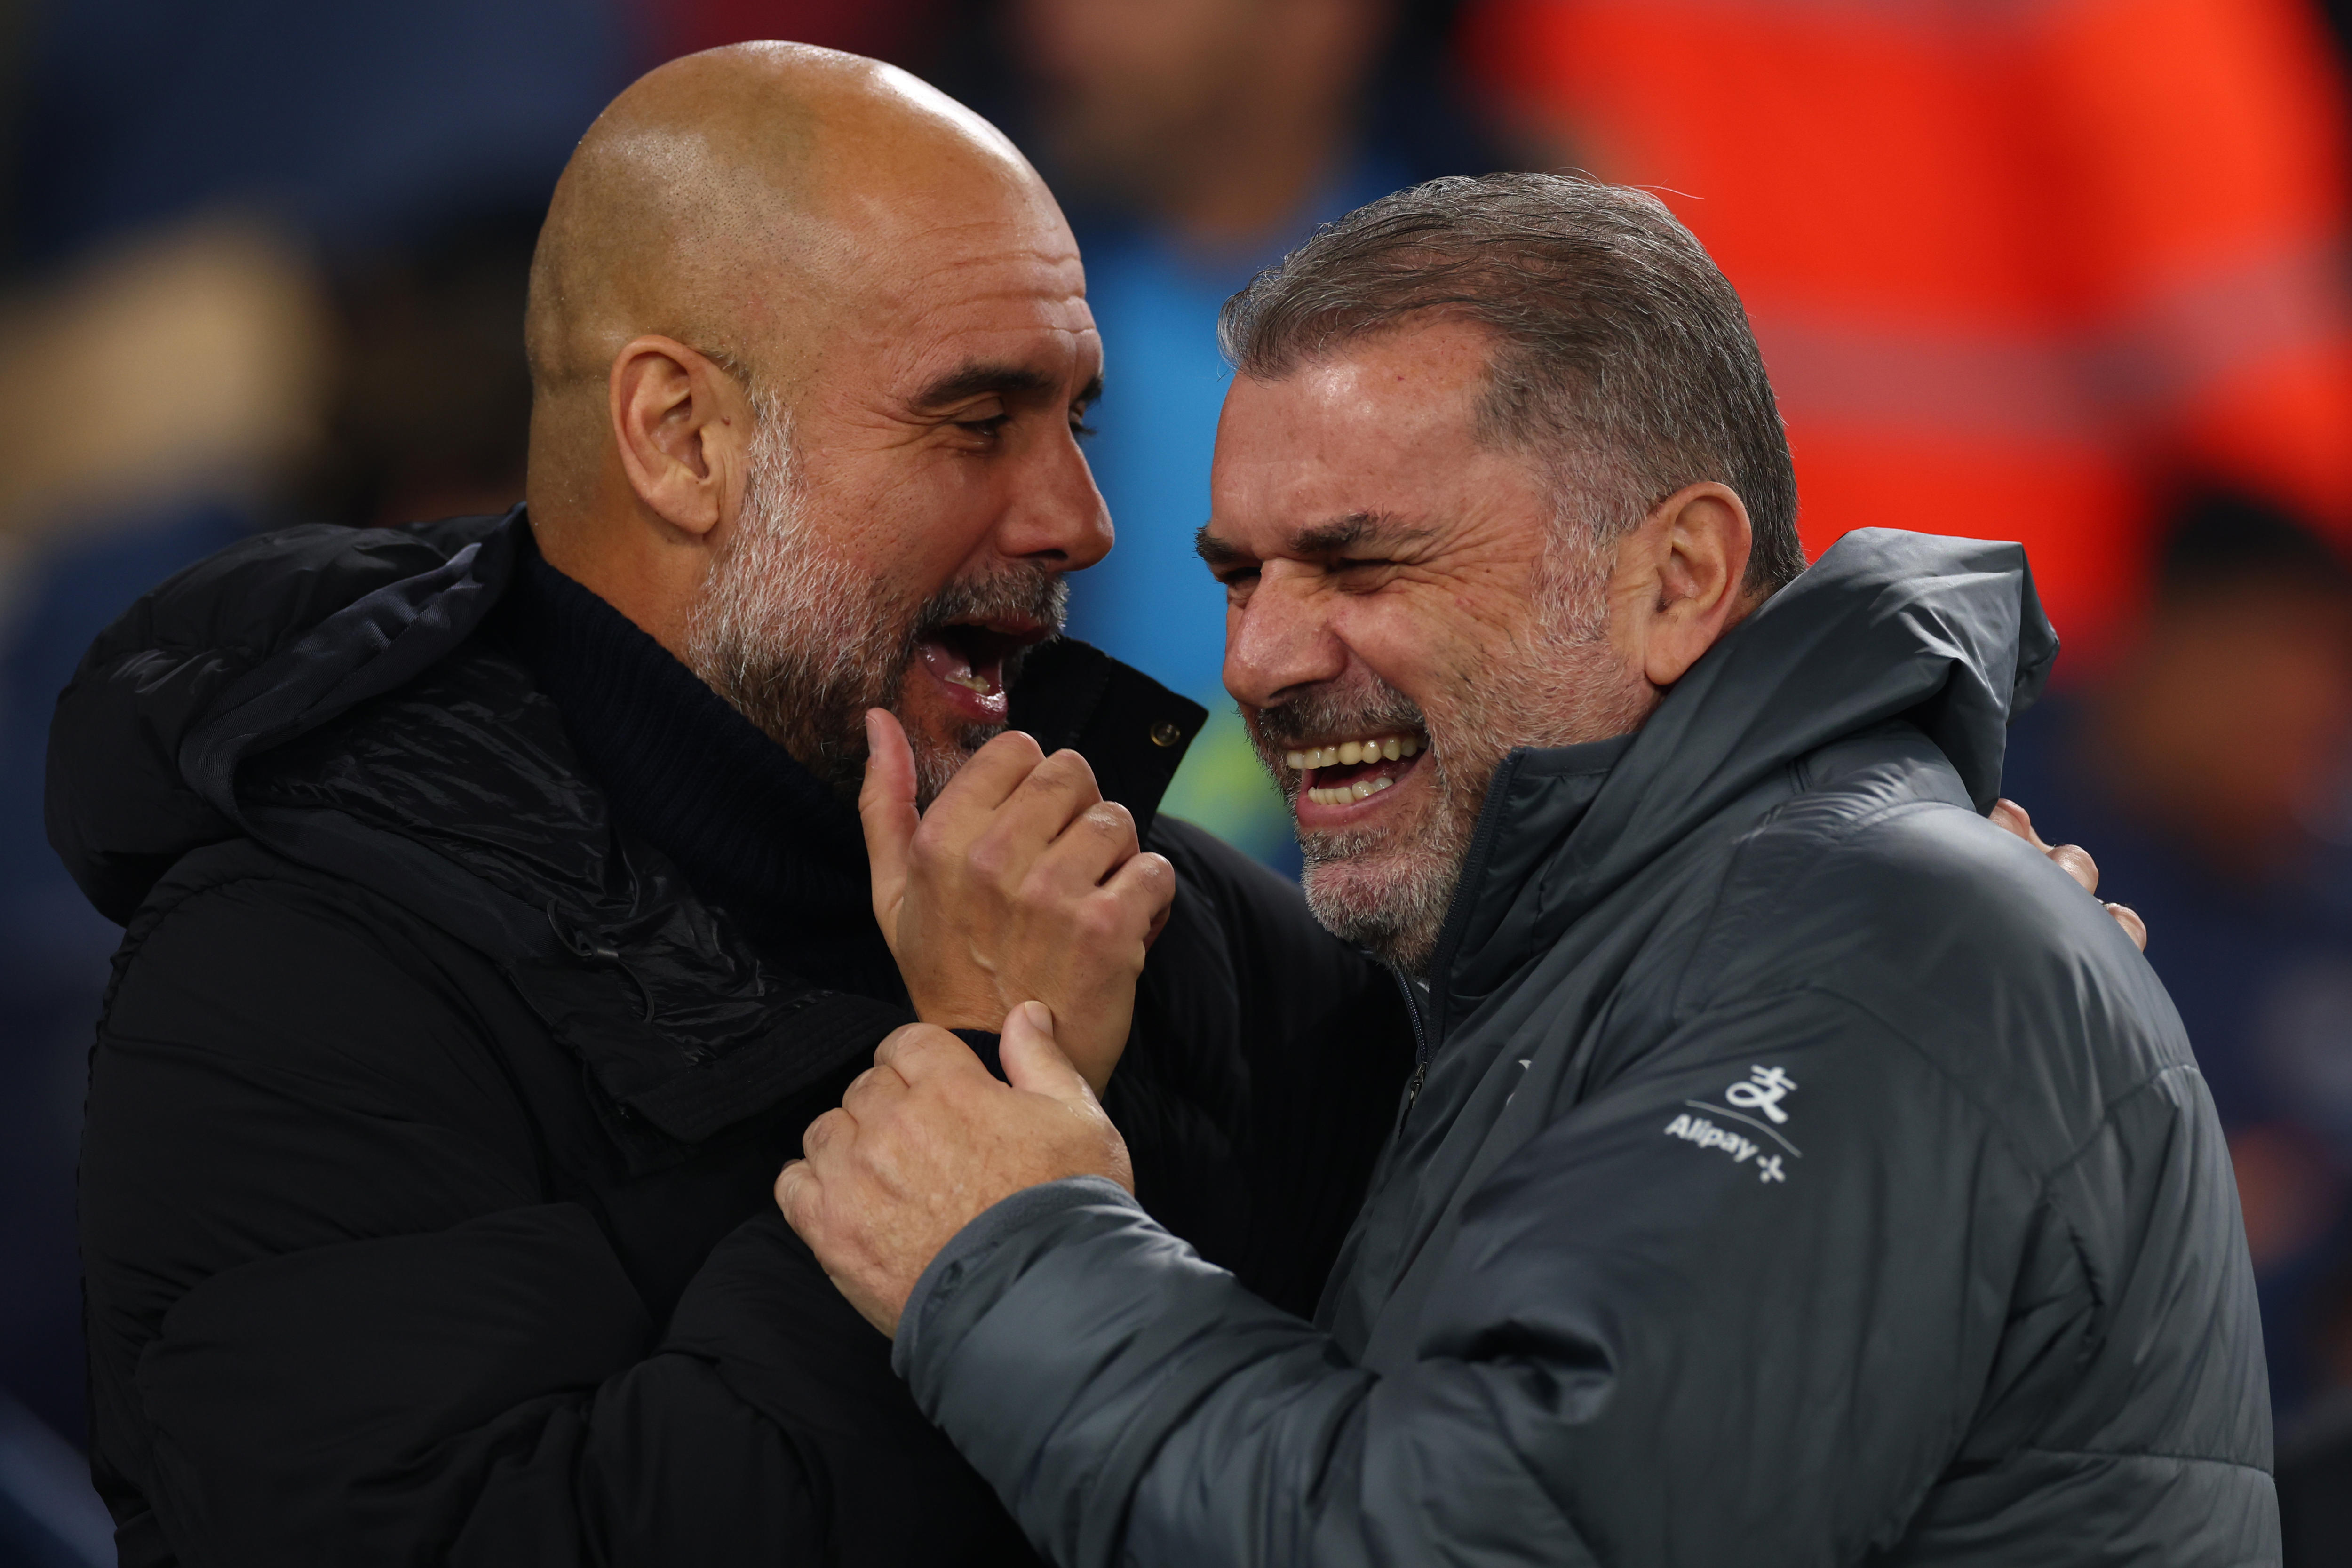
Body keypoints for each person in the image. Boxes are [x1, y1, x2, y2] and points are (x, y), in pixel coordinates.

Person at [777, 173, 2269, 1565]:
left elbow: (1493, 1535)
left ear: (1675, 580)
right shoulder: (1604, 965)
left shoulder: (1876, 951)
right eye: (1239, 575)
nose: (1259, 660)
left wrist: (1018, 1264)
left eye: (1363, 566)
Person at [51, 45, 1414, 1565]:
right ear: (681, 440)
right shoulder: (288, 987)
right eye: (976, 422)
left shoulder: (1169, 935)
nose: (1079, 522)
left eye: (1077, 426)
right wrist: (965, 1098)